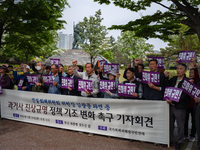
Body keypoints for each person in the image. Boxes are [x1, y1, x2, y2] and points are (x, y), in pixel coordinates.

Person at [165, 63, 190, 150]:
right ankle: (170, 140)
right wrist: (166, 77)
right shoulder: (174, 79)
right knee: (170, 124)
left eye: (181, 69)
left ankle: (179, 142)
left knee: (180, 126)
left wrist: (174, 100)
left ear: (185, 71)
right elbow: (167, 87)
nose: (178, 70)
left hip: (180, 107)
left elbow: (184, 95)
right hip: (170, 105)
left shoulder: (187, 81)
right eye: (177, 68)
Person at [184, 59, 198, 142]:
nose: (190, 74)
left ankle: (192, 135)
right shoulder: (186, 81)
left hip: (194, 106)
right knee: (185, 121)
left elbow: (196, 75)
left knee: (194, 121)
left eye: (192, 73)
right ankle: (185, 134)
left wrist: (194, 65)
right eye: (189, 72)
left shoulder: (197, 82)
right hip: (186, 105)